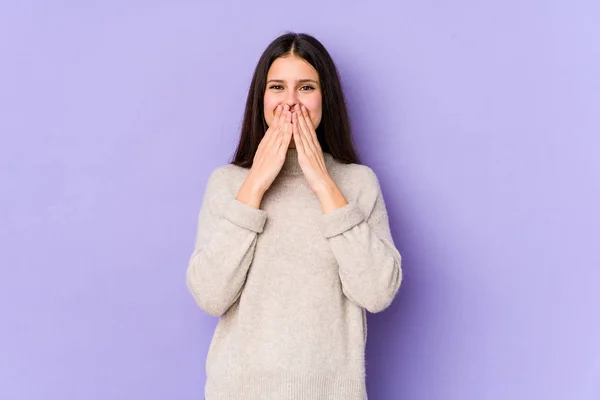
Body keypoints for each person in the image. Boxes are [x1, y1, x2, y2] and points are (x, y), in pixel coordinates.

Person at [186, 31, 402, 399]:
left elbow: (378, 292)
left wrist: (323, 183)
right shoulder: (226, 185)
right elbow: (209, 296)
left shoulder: (357, 183)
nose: (290, 102)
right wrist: (253, 188)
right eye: (277, 87)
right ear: (261, 98)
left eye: (305, 87)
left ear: (324, 98)